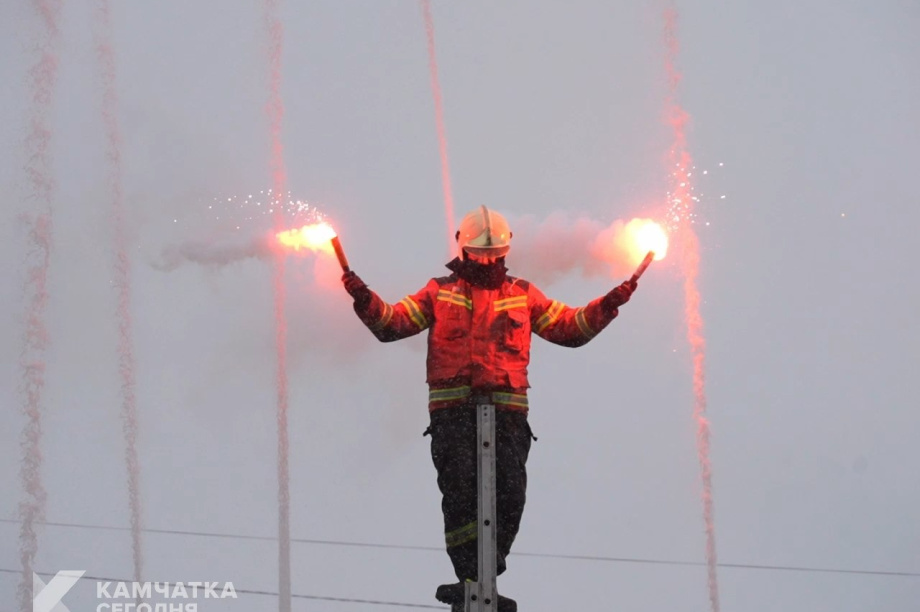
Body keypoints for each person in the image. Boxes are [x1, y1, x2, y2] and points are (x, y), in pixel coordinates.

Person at [342, 206, 638, 610]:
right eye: (480, 255)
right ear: (463, 250)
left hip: (508, 415)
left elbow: (570, 329)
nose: (486, 262)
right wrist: (363, 298)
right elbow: (392, 324)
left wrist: (609, 303)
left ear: (505, 252)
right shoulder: (438, 292)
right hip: (453, 413)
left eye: (493, 255)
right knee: (461, 493)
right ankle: (469, 579)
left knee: (510, 494)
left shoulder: (523, 294)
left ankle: (488, 576)